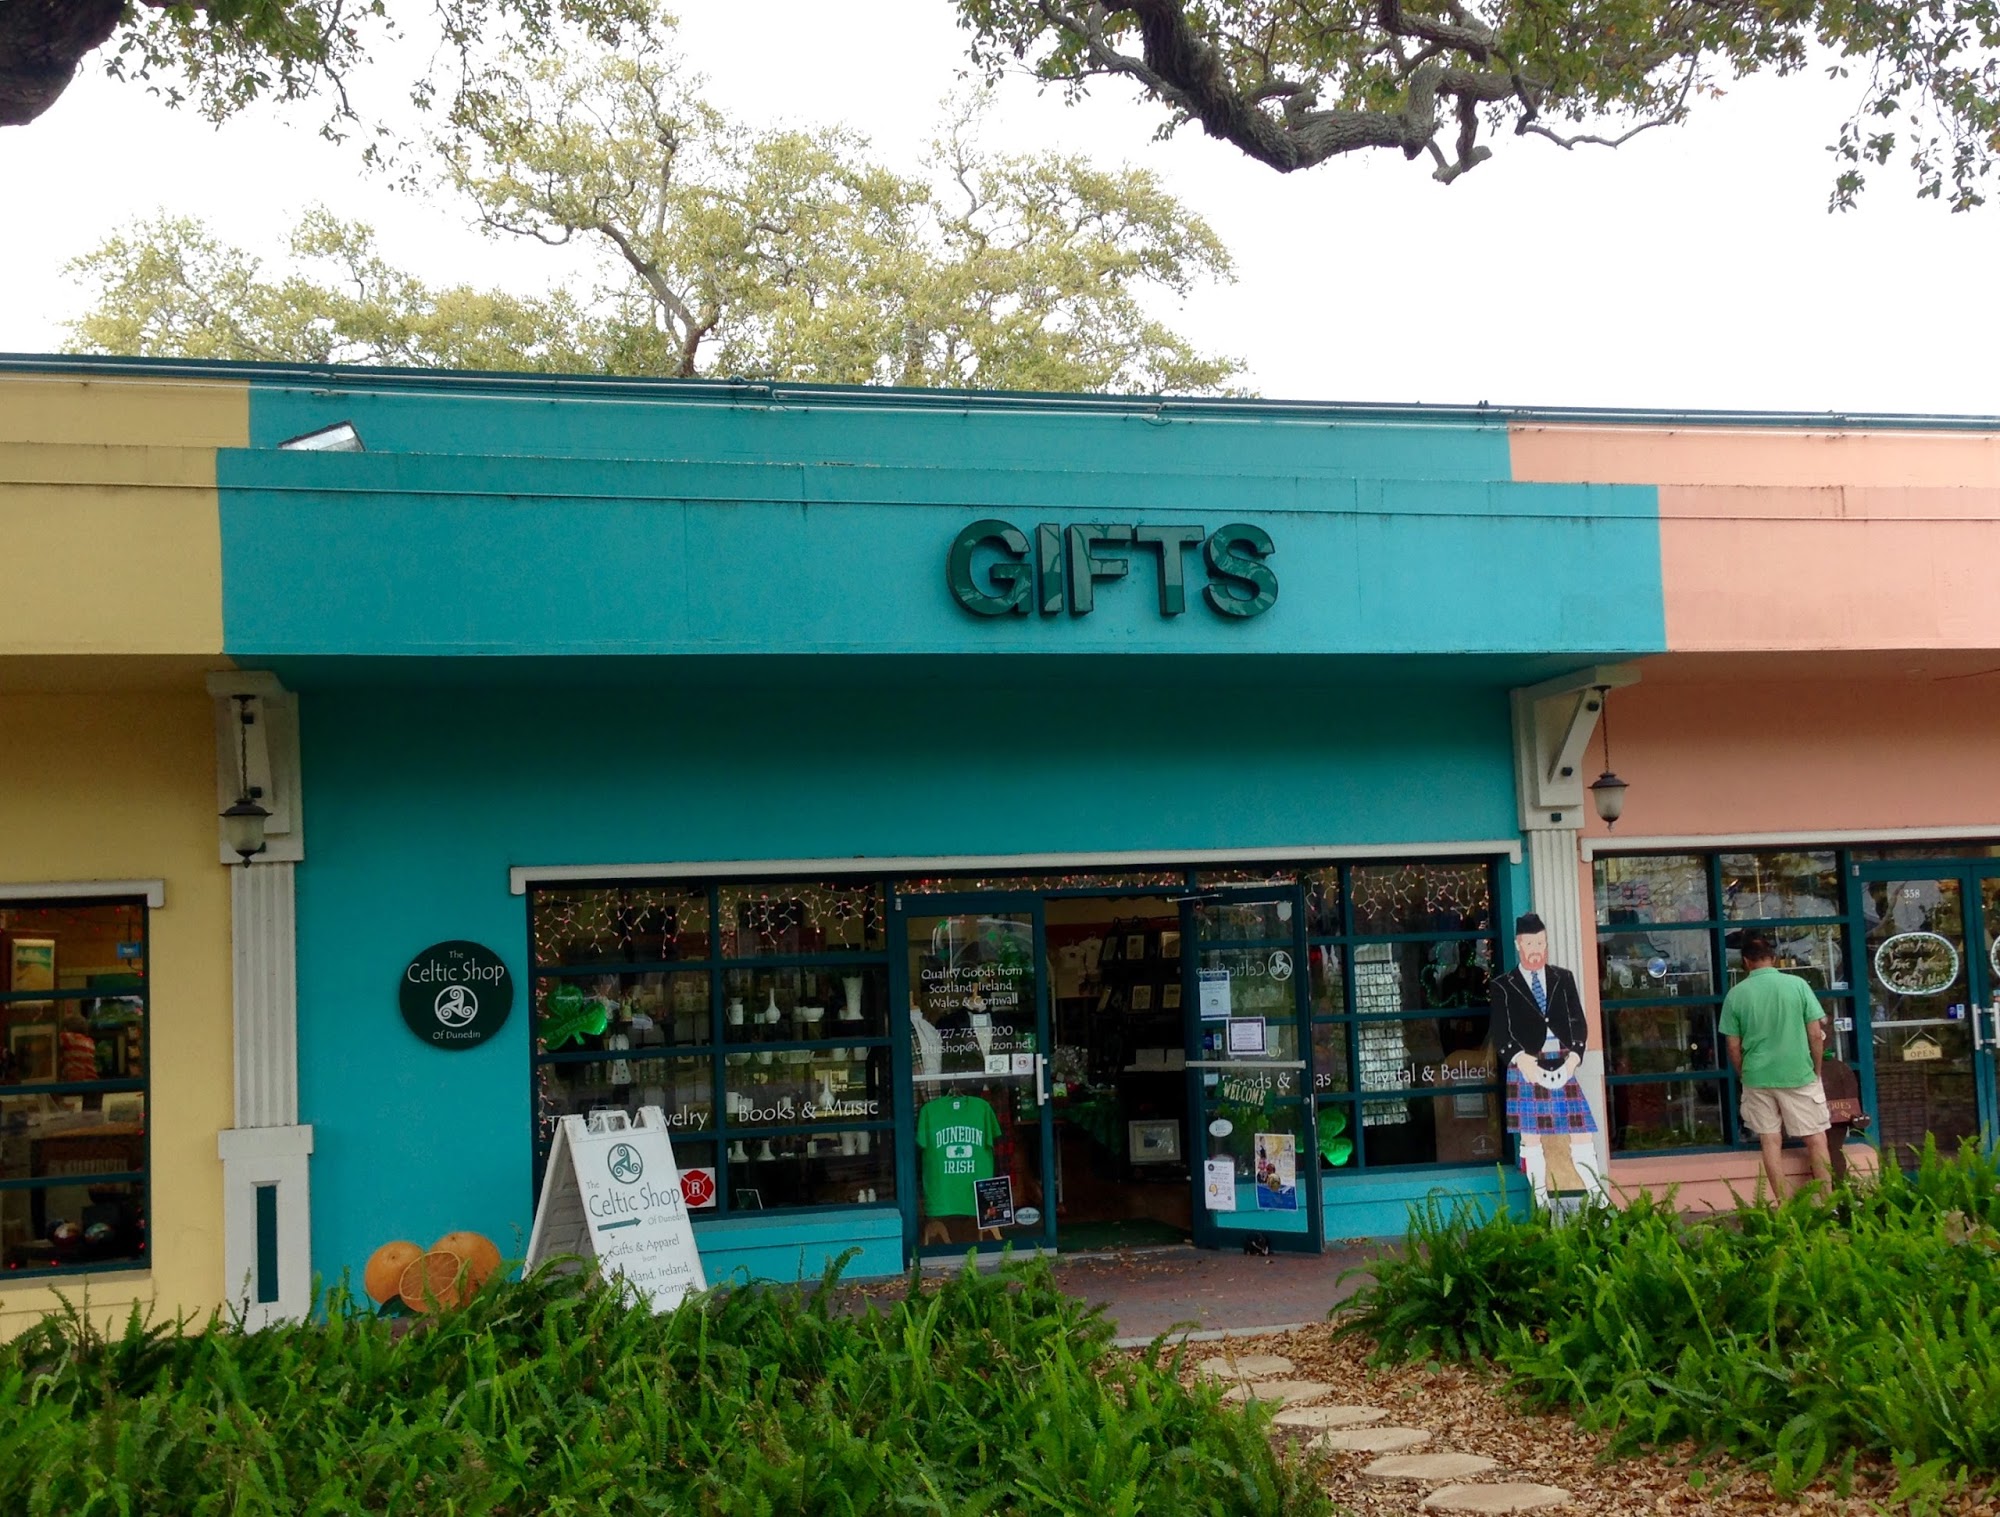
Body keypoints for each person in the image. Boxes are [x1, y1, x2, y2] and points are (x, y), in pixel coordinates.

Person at [1489, 912, 1602, 1204]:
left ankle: (1597, 1197)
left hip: (1563, 1059)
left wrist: (1574, 1058)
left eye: (1541, 942)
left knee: (1581, 1134)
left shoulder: (1563, 977)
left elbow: (1578, 1020)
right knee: (1531, 1138)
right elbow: (1501, 1033)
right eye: (1530, 943)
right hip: (1526, 1062)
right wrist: (1521, 1060)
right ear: (1518, 944)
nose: (1536, 949)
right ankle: (1541, 1200)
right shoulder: (1503, 985)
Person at [1720, 933, 1832, 1198]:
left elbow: (1733, 1046)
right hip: (1798, 1072)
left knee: (1770, 1140)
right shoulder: (1797, 985)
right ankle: (1830, 1203)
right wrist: (1816, 1070)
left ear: (1746, 961)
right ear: (1774, 958)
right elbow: (1816, 1034)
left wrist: (1744, 1074)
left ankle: (1783, 1205)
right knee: (1816, 1138)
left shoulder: (1735, 995)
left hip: (1757, 1076)